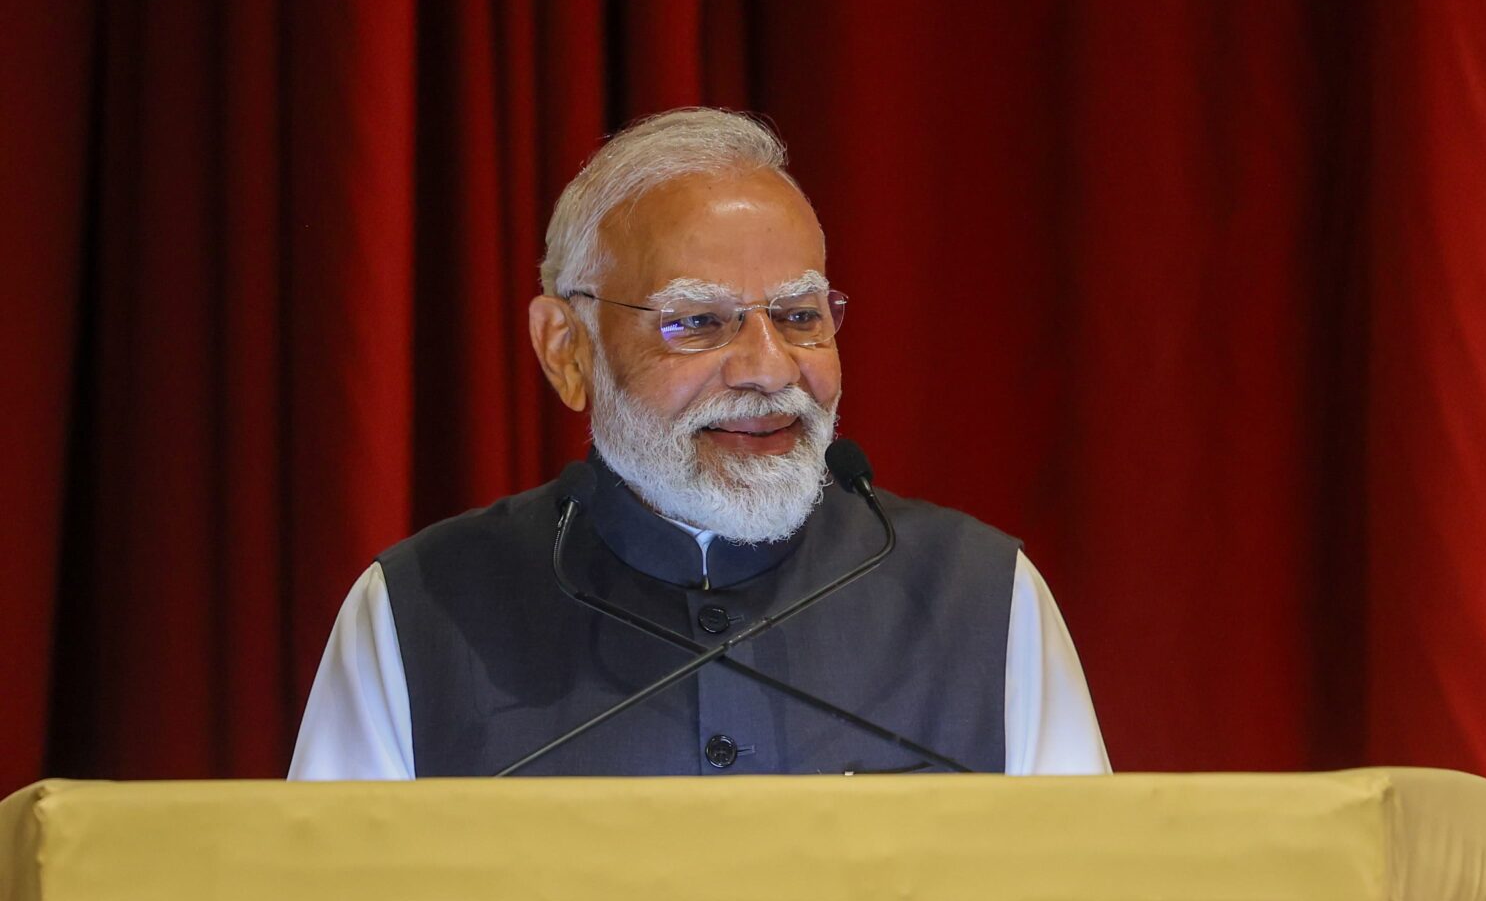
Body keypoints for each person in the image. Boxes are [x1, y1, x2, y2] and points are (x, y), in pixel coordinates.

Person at [290, 108, 1109, 780]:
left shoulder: (982, 599)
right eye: (699, 322)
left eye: (800, 316)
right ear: (566, 350)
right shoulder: (418, 614)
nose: (768, 368)